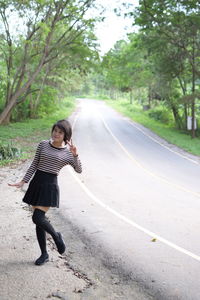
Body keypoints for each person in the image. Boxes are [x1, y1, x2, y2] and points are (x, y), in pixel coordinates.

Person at [8, 119, 82, 266]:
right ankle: (44, 254)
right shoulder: (43, 144)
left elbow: (79, 170)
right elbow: (34, 164)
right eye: (55, 130)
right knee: (39, 222)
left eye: (60, 132)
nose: (56, 134)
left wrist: (75, 155)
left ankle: (56, 236)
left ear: (65, 135)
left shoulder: (67, 153)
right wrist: (23, 181)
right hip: (37, 182)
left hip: (50, 185)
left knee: (37, 217)